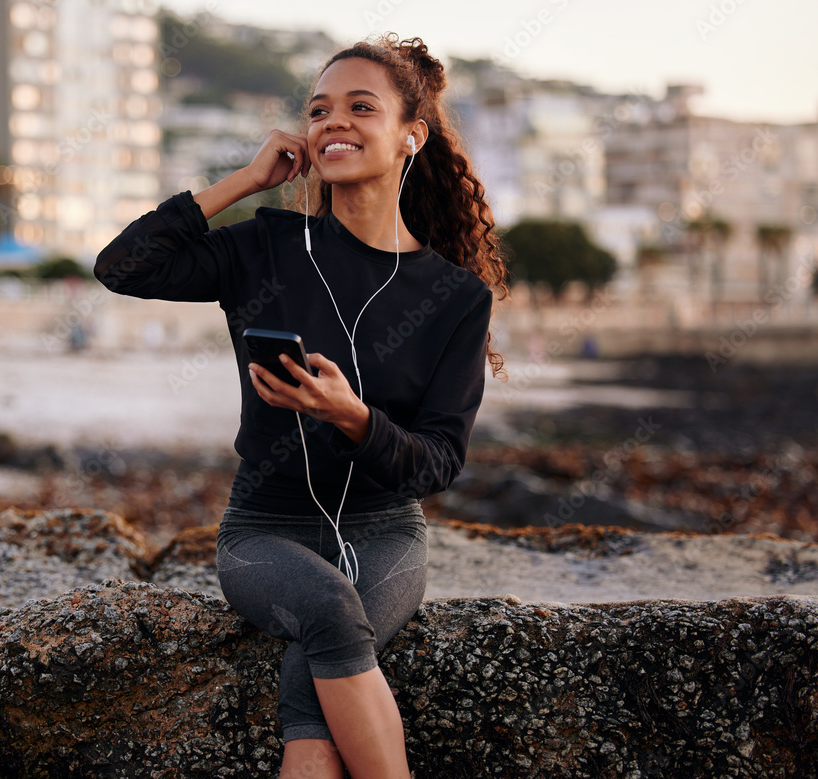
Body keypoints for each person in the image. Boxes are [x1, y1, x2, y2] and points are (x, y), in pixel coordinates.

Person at [95, 34, 507, 779]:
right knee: (326, 612)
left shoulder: (456, 297)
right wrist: (244, 182)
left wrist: (352, 416)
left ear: (412, 134)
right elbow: (123, 266)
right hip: (263, 532)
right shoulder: (265, 248)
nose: (332, 123)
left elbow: (439, 461)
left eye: (359, 107)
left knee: (314, 677)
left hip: (385, 535)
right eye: (318, 111)